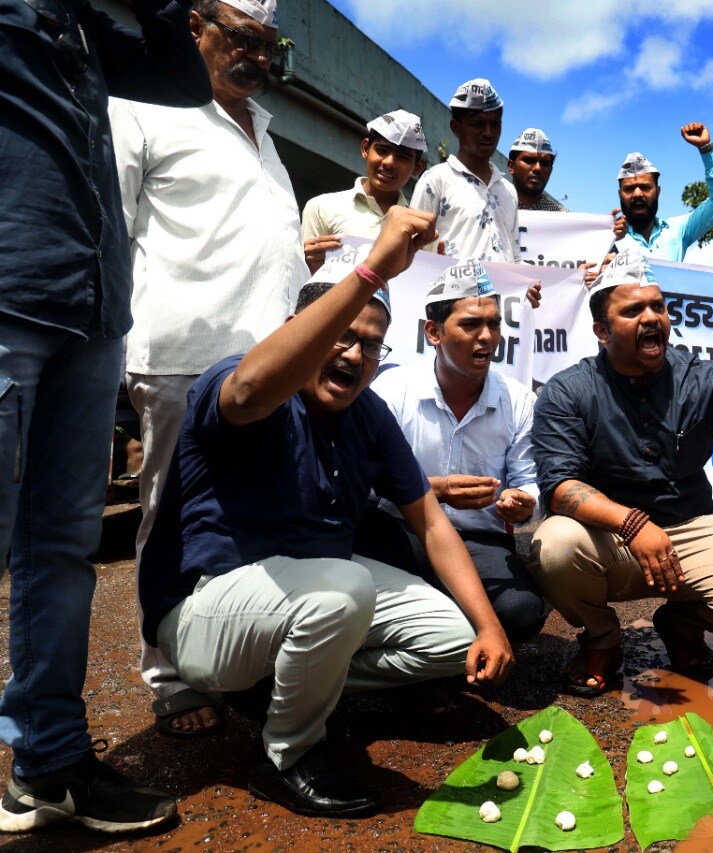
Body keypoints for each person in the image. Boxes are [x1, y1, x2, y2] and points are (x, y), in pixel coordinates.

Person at [136, 207, 514, 818]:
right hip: (206, 611)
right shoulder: (239, 381)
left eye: (371, 344)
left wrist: (490, 627)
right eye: (340, 334)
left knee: (451, 636)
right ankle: (287, 755)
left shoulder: (367, 414)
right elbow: (249, 391)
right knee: (344, 585)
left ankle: (289, 686)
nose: (355, 354)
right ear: (301, 328)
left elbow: (431, 521)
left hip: (311, 599)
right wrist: (370, 272)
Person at [0, 0, 210, 835]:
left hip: (91, 311)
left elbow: (183, 79)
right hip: (9, 291)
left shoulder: (87, 21)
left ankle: (48, 763)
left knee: (60, 550)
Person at [110, 0, 310, 739]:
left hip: (267, 366)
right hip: (181, 361)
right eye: (241, 38)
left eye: (267, 43)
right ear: (194, 28)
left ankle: (239, 658)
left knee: (252, 517)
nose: (256, 56)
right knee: (169, 518)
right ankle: (167, 675)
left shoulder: (266, 132)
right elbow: (116, 225)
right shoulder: (142, 109)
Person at [528, 248, 713, 696]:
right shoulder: (568, 390)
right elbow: (560, 489)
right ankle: (602, 639)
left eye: (658, 307)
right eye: (632, 310)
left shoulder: (706, 377)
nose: (651, 317)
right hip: (608, 536)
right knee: (554, 545)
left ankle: (680, 623)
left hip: (692, 523)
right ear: (602, 331)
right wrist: (633, 524)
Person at [358, 261, 547, 643]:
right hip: (401, 533)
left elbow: (529, 481)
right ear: (433, 332)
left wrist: (524, 501)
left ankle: (436, 619)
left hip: (480, 542)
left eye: (494, 324)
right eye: (470, 325)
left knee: (522, 612)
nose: (487, 337)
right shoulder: (392, 391)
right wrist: (434, 491)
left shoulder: (519, 401)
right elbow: (362, 483)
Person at [301, 109, 428, 273]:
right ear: (366, 148)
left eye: (403, 157)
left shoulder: (420, 229)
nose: (389, 162)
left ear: (417, 167)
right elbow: (305, 283)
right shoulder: (320, 208)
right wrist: (311, 266)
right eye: (382, 150)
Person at [410, 77, 518, 261]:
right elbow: (412, 252)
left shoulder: (508, 191)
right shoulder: (435, 181)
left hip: (505, 292)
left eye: (495, 124)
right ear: (456, 127)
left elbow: (515, 257)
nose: (488, 133)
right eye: (478, 124)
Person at [612, 123, 713, 262]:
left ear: (658, 191)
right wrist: (607, 241)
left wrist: (705, 149)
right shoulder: (607, 238)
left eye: (645, 187)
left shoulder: (677, 230)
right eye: (629, 189)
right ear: (620, 194)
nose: (637, 194)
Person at [508, 127, 565, 212]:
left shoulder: (564, 218)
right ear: (511, 166)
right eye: (529, 160)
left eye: (545, 163)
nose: (538, 168)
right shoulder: (491, 207)